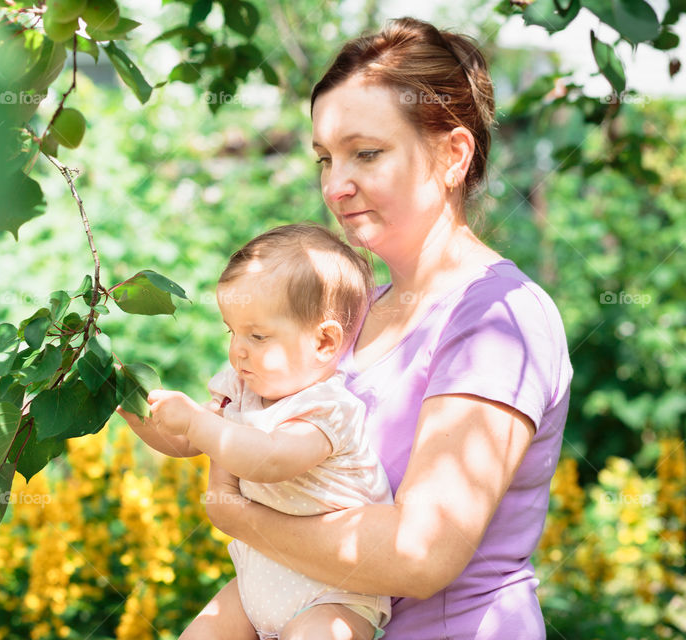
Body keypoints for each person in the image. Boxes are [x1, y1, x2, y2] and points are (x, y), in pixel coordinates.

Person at [188, 17, 574, 639]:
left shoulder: (500, 320)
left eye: (366, 153)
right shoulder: (351, 312)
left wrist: (236, 515)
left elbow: (418, 553)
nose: (337, 186)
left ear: (452, 154)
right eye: (325, 158)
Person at [125, 223, 395, 640]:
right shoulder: (240, 388)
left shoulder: (328, 409)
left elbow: (270, 459)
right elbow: (185, 443)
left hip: (335, 593)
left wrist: (198, 420)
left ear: (324, 342)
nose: (238, 350)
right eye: (231, 331)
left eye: (257, 335)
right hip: (258, 580)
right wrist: (136, 411)